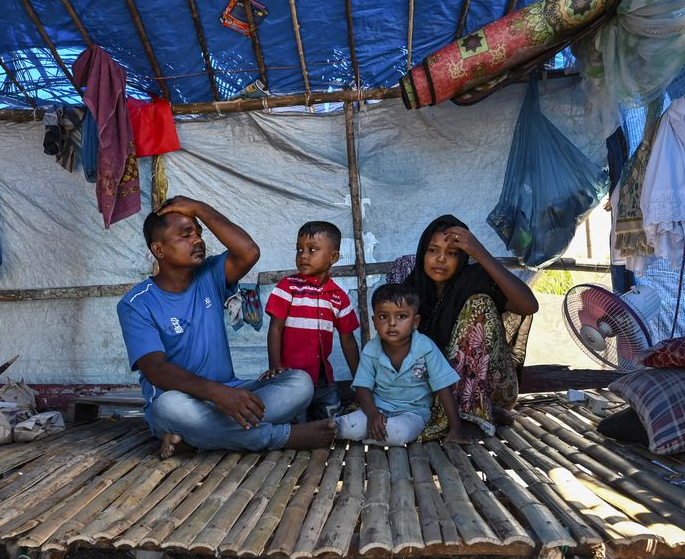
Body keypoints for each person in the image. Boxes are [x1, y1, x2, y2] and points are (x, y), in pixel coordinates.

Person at [117, 196, 336, 458]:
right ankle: (281, 436)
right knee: (168, 408)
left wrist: (198, 207)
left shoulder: (209, 275)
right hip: (184, 402)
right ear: (159, 249)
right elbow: (157, 370)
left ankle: (198, 438)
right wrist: (218, 394)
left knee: (300, 383)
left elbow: (249, 252)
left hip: (231, 393)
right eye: (186, 235)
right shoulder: (136, 304)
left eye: (199, 233)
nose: (198, 240)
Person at [391, 214, 539, 443]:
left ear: (463, 258)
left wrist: (480, 253)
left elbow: (528, 305)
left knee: (479, 303)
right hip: (430, 389)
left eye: (452, 253)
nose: (440, 259)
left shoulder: (475, 279)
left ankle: (475, 413)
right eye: (433, 250)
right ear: (422, 253)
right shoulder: (410, 290)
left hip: (492, 386)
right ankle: (465, 412)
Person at [336, 284, 462, 445]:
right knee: (346, 425)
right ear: (374, 322)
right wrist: (373, 414)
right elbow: (363, 387)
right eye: (383, 317)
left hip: (413, 413)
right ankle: (330, 430)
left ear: (415, 321)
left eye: (401, 316)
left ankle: (366, 435)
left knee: (399, 433)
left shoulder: (426, 348)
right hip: (376, 408)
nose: (392, 323)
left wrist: (455, 427)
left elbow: (443, 387)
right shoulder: (371, 349)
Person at [264, 221, 361, 420]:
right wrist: (274, 365)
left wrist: (361, 380)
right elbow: (275, 328)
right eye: (299, 249)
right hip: (291, 381)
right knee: (297, 428)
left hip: (325, 384)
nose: (303, 255)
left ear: (333, 257)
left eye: (312, 249)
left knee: (335, 426)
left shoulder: (338, 297)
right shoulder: (288, 288)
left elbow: (348, 341)